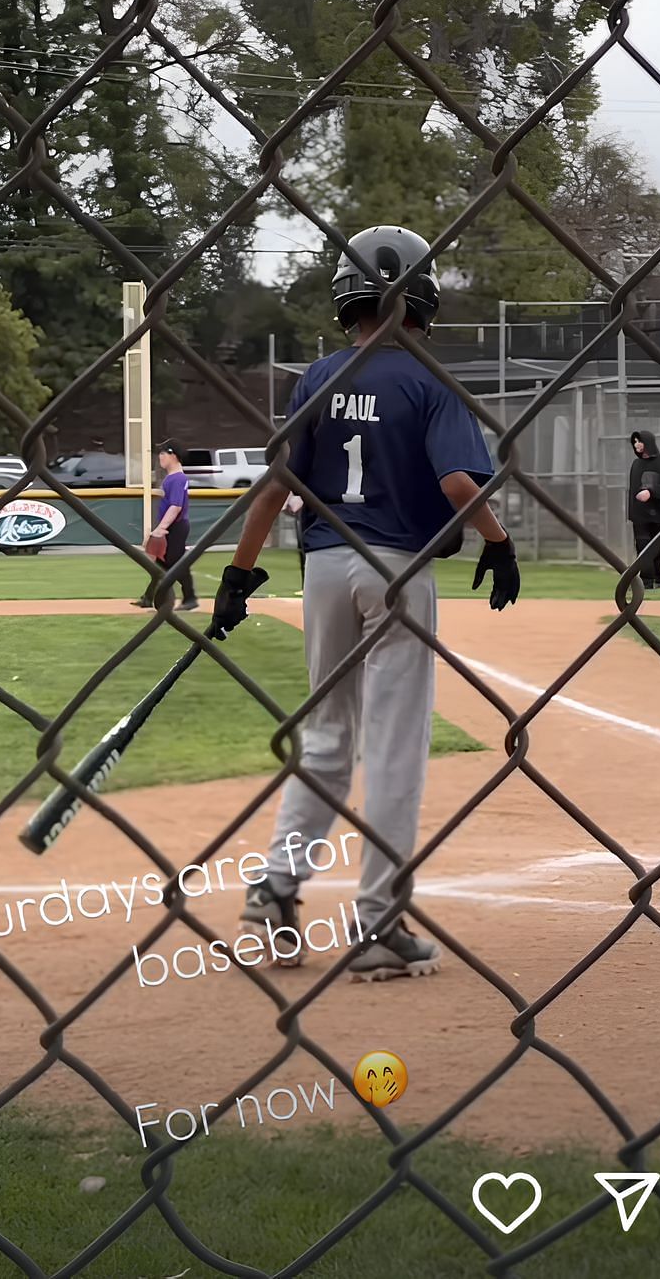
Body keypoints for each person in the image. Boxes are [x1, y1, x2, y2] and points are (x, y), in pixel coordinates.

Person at [211, 224, 520, 983]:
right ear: (424, 301)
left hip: (322, 568)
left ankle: (279, 885)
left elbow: (276, 487)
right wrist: (498, 541)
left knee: (324, 737)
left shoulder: (316, 378)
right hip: (396, 570)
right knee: (392, 748)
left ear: (344, 299)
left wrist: (239, 574)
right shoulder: (427, 381)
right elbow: (458, 484)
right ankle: (378, 923)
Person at [133, 440, 199, 612]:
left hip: (176, 527)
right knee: (162, 564)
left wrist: (161, 528)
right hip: (173, 526)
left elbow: (175, 506)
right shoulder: (173, 478)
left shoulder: (177, 478)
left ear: (173, 456)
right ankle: (148, 597)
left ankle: (190, 598)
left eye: (163, 453)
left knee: (173, 563)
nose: (160, 457)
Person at [628, 429, 660, 590]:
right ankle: (646, 582)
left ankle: (657, 579)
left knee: (658, 550)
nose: (636, 445)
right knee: (642, 546)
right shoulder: (636, 464)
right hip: (641, 516)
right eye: (634, 442)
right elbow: (632, 491)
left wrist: (651, 492)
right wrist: (632, 514)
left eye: (639, 441)